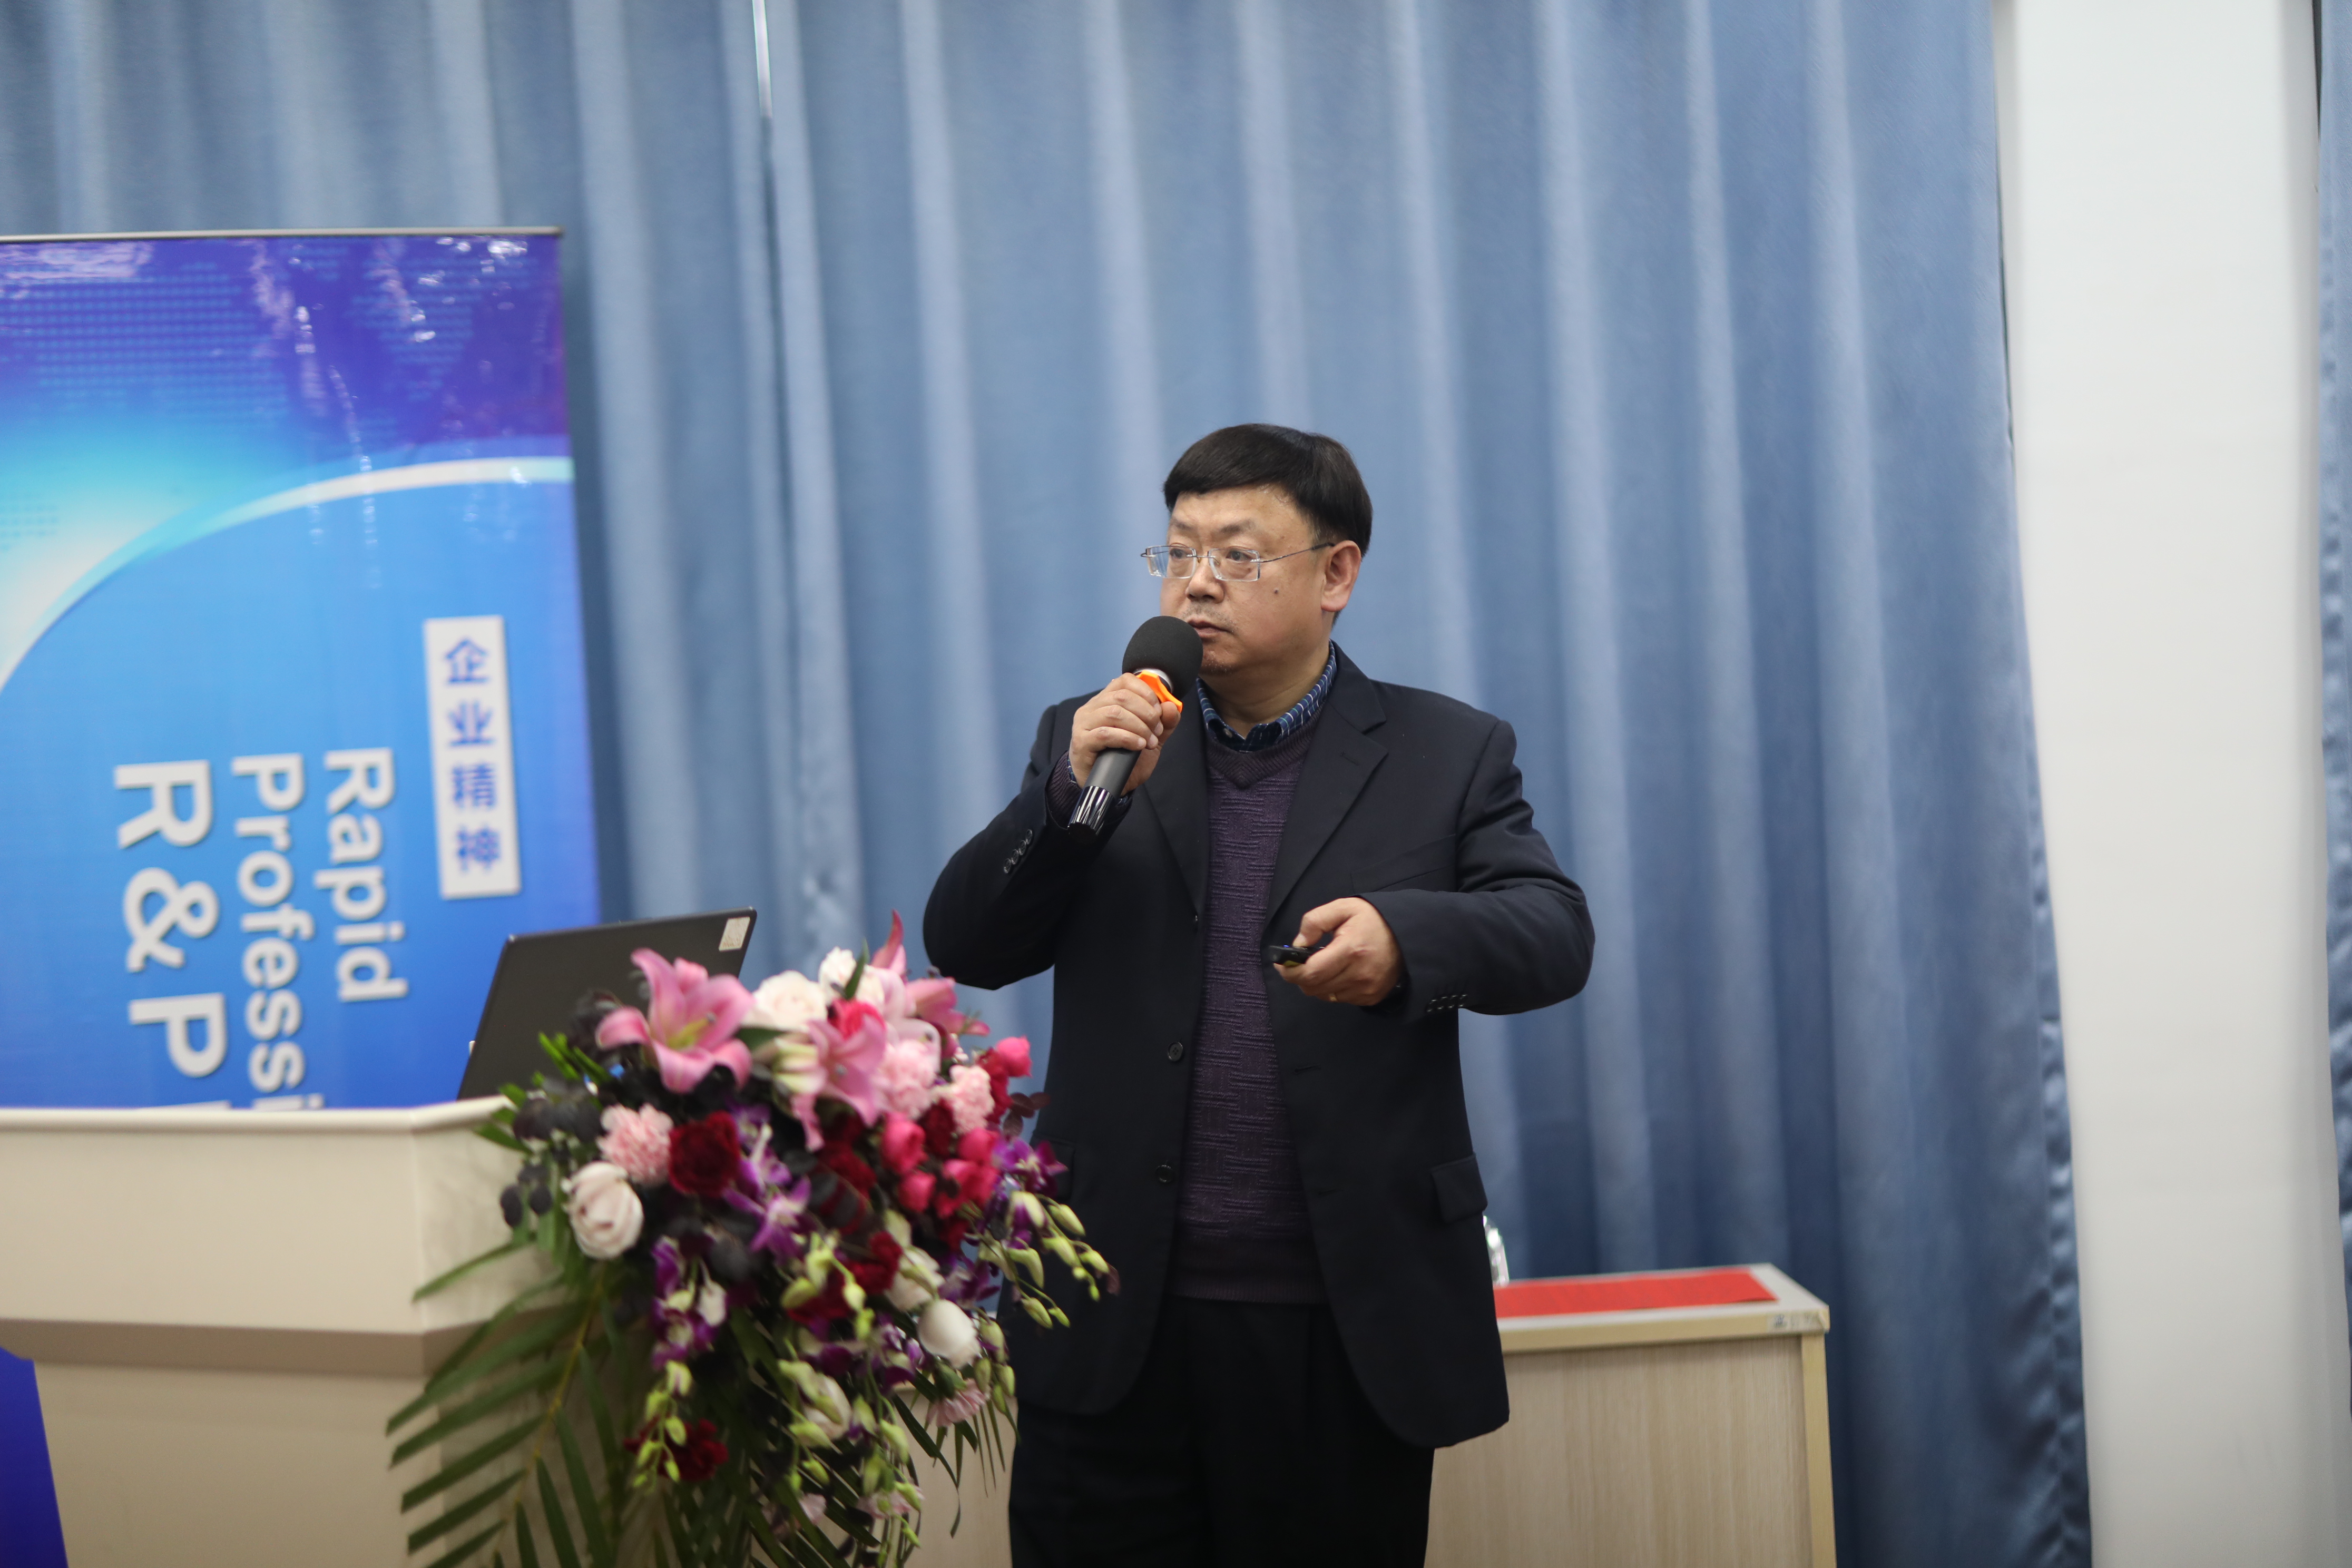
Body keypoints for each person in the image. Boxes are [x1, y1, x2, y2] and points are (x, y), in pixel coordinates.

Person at [924, 424, 1593, 1567]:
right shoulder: (1095, 740)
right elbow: (969, 943)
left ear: (1337, 573)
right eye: (1178, 551)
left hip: (1338, 1326)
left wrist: (1409, 938)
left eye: (1237, 554)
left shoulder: (1447, 752)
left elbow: (1553, 932)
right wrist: (1063, 798)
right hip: (1112, 1311)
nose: (1196, 582)